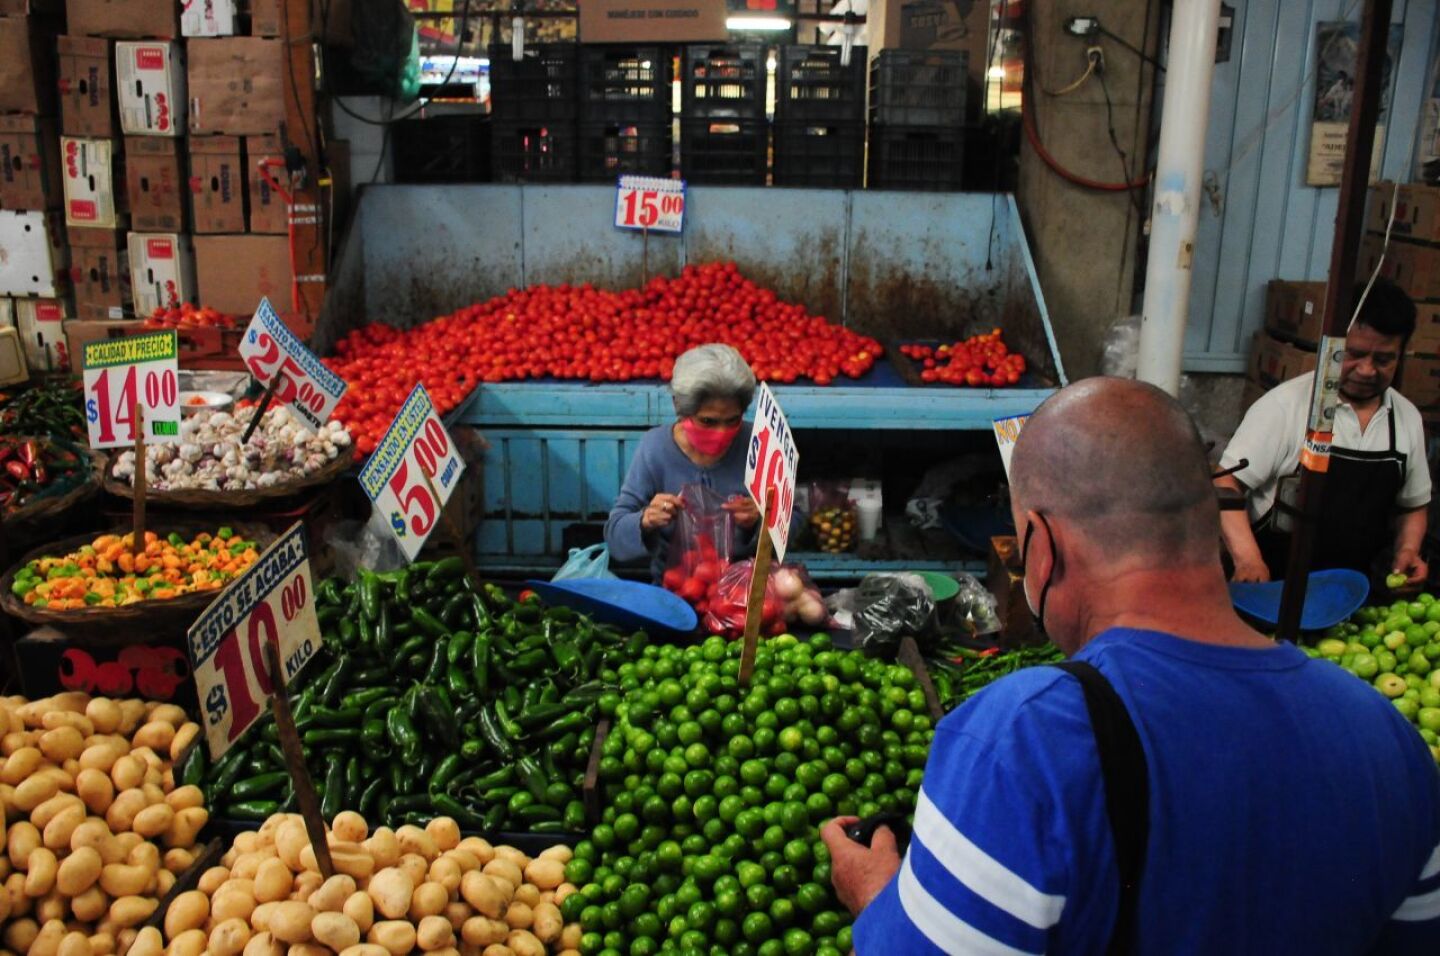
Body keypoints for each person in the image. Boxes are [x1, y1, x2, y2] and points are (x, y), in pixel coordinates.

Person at [820, 378, 1440, 954]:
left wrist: (873, 895)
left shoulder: (1022, 741)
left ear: (1040, 544)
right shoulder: (1392, 740)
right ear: (1205, 520)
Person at [1217, 278, 1430, 583]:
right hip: (1273, 584)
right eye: (1353, 354)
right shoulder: (1285, 406)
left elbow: (1413, 505)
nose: (1367, 370)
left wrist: (1408, 550)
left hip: (1353, 590)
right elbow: (1227, 484)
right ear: (1330, 345)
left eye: (1383, 359)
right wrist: (1248, 560)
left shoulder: (1406, 418)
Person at [605, 344, 761, 583]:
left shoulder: (758, 444)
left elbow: (792, 521)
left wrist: (759, 521)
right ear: (680, 408)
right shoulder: (655, 448)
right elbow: (615, 536)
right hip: (675, 588)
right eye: (708, 421)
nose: (722, 432)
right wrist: (645, 520)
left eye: (733, 420)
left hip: (744, 588)